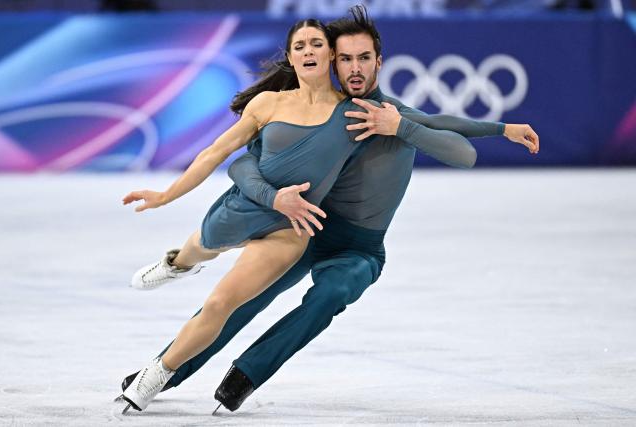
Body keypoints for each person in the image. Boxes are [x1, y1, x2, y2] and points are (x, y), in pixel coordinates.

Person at [119, 5, 539, 414]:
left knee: (330, 294)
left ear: (379, 61)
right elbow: (246, 161)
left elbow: (455, 141)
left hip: (359, 247)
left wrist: (488, 128)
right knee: (240, 297)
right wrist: (271, 197)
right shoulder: (304, 109)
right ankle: (165, 370)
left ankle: (247, 373)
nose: (355, 67)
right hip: (307, 227)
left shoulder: (388, 114)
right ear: (331, 62)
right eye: (345, 58)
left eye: (363, 58)